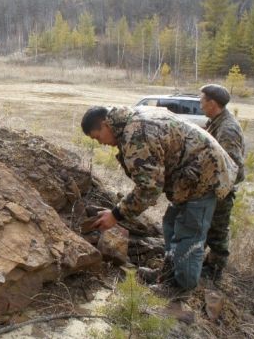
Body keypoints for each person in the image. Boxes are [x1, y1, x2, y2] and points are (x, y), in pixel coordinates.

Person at [80, 105, 237, 293]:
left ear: (105, 124)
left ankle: (180, 288)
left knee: (188, 231)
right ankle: (170, 273)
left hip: (206, 177)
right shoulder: (130, 119)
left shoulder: (136, 134)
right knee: (170, 223)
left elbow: (149, 188)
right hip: (189, 176)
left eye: (97, 137)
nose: (100, 143)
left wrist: (116, 215)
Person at [199, 84, 245, 280]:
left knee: (217, 235)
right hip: (212, 189)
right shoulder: (215, 122)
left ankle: (213, 275)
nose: (200, 104)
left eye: (202, 100)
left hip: (221, 192)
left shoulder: (227, 129)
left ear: (213, 103)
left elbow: (234, 168)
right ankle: (203, 269)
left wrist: (214, 186)